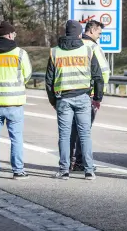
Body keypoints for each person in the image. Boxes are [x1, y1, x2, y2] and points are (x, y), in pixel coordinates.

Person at [45, 19, 104, 180]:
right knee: (85, 135)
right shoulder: (87, 50)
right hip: (84, 98)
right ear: (79, 34)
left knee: (64, 136)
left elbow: (49, 81)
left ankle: (64, 170)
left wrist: (53, 101)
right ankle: (89, 170)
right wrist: (97, 98)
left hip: (63, 98)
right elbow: (98, 77)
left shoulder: (55, 52)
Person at [0, 21, 32, 180]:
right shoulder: (20, 53)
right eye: (14, 33)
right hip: (14, 102)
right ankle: (18, 171)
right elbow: (27, 74)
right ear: (10, 35)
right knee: (16, 137)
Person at [70, 20, 110, 171]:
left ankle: (69, 161)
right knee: (84, 130)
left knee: (71, 129)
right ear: (92, 30)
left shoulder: (74, 44)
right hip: (88, 94)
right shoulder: (93, 47)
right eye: (99, 33)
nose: (99, 36)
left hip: (70, 92)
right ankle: (80, 162)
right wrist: (99, 96)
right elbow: (104, 72)